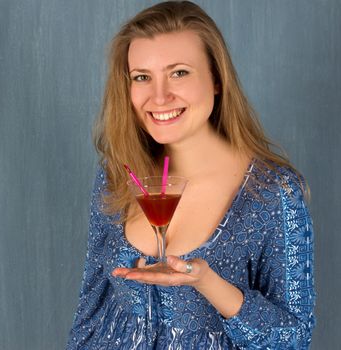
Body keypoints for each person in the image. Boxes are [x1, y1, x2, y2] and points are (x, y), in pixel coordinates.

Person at [67, 1, 316, 349]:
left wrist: (206, 281)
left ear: (216, 78)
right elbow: (90, 309)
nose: (160, 96)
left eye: (179, 72)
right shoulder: (117, 173)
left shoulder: (273, 191)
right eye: (142, 77)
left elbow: (292, 338)